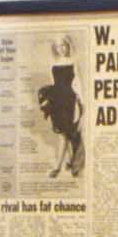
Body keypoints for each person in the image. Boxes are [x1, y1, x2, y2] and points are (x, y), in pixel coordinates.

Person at [37, 35, 83, 179]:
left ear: (67, 46)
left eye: (63, 45)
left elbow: (78, 83)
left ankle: (58, 167)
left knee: (66, 133)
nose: (61, 49)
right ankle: (70, 163)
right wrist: (49, 101)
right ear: (55, 49)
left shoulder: (73, 63)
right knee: (64, 133)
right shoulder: (52, 64)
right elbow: (53, 84)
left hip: (69, 99)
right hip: (57, 100)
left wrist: (82, 102)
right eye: (58, 46)